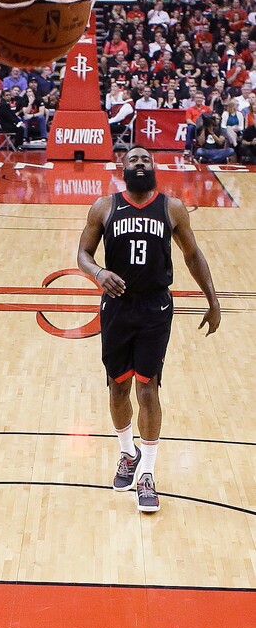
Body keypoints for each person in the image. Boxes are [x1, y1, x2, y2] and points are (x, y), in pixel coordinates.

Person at [77, 146, 220, 513]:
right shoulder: (104, 207)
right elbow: (83, 255)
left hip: (155, 308)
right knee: (117, 386)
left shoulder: (171, 208)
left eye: (145, 159)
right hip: (117, 307)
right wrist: (98, 273)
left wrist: (212, 299)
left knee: (148, 387)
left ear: (153, 167)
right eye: (133, 160)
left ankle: (147, 474)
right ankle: (128, 454)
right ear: (123, 168)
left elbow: (192, 254)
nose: (140, 163)